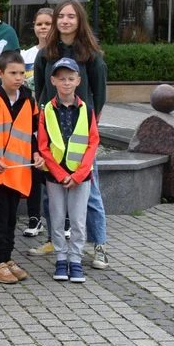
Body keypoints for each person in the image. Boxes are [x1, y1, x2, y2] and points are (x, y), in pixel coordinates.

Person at [32, 1, 109, 269]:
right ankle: (56, 243)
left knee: (91, 192)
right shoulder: (45, 54)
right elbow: (40, 92)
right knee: (49, 193)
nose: (65, 21)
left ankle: (99, 246)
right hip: (52, 132)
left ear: (80, 20)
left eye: (71, 16)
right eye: (60, 16)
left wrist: (89, 126)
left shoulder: (91, 54)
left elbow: (99, 95)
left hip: (79, 134)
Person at [0, 49, 44, 285]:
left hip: (18, 171)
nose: (19, 78)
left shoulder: (29, 99)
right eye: (13, 73)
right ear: (0, 73)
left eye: (22, 73)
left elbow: (32, 134)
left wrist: (36, 153)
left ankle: (7, 258)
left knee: (10, 218)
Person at [38, 58, 100, 284]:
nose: (66, 83)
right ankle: (60, 258)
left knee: (78, 220)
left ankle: (75, 259)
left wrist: (79, 174)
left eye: (70, 79)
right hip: (55, 176)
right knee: (56, 218)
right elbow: (43, 146)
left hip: (80, 177)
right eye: (61, 79)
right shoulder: (46, 111)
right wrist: (60, 173)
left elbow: (93, 143)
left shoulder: (87, 110)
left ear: (78, 81)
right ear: (53, 80)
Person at [21, 8, 54, 239]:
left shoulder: (59, 52)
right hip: (32, 118)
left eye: (48, 23)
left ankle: (63, 220)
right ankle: (34, 217)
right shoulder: (27, 55)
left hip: (54, 118)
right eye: (39, 23)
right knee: (34, 168)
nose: (43, 27)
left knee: (53, 168)